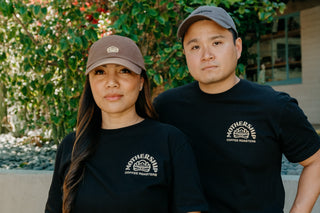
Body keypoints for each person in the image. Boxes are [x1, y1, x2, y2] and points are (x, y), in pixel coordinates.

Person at [153, 6, 320, 213]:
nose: (206, 55)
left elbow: (316, 161)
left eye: (217, 43)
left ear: (237, 47)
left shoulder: (273, 106)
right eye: (195, 47)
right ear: (185, 54)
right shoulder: (166, 107)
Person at [45, 35, 208, 213]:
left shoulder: (170, 141)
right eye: (100, 72)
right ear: (90, 83)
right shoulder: (71, 145)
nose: (111, 82)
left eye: (124, 71)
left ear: (140, 82)